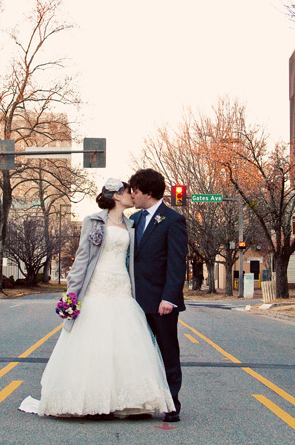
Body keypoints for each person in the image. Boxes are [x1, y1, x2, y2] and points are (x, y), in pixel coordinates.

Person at [19, 178, 175, 419]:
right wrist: (72, 293)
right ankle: (90, 400)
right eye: (127, 192)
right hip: (97, 285)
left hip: (122, 287)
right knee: (94, 343)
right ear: (115, 196)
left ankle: (127, 400)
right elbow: (82, 258)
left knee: (125, 345)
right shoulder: (94, 221)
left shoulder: (132, 223)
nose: (132, 195)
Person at [128, 168, 188, 423]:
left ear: (149, 193)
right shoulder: (134, 219)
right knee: (138, 353)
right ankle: (141, 403)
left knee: (167, 353)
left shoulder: (173, 220)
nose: (132, 195)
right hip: (133, 302)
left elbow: (177, 263)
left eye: (136, 191)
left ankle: (171, 403)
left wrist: (169, 298)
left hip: (161, 302)